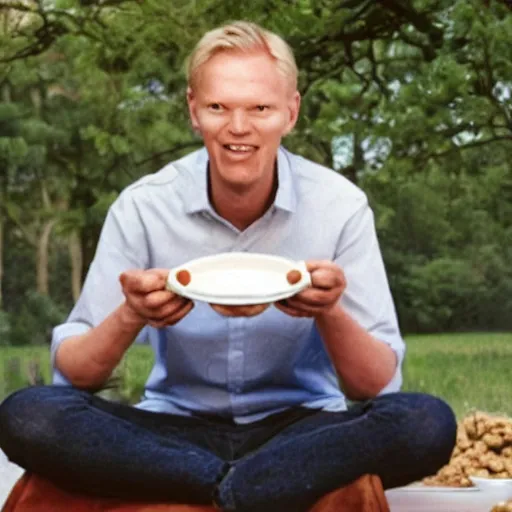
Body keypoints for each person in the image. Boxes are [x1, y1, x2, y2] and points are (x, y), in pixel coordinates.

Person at [0, 21, 456, 512]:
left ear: (291, 112)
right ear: (193, 110)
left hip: (303, 433)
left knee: (426, 421)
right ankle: (236, 487)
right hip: (171, 433)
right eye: (219, 107)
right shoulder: (143, 207)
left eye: (260, 108)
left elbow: (376, 386)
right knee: (27, 415)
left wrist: (329, 311)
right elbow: (76, 374)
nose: (239, 128)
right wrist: (132, 313)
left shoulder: (339, 206)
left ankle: (224, 484)